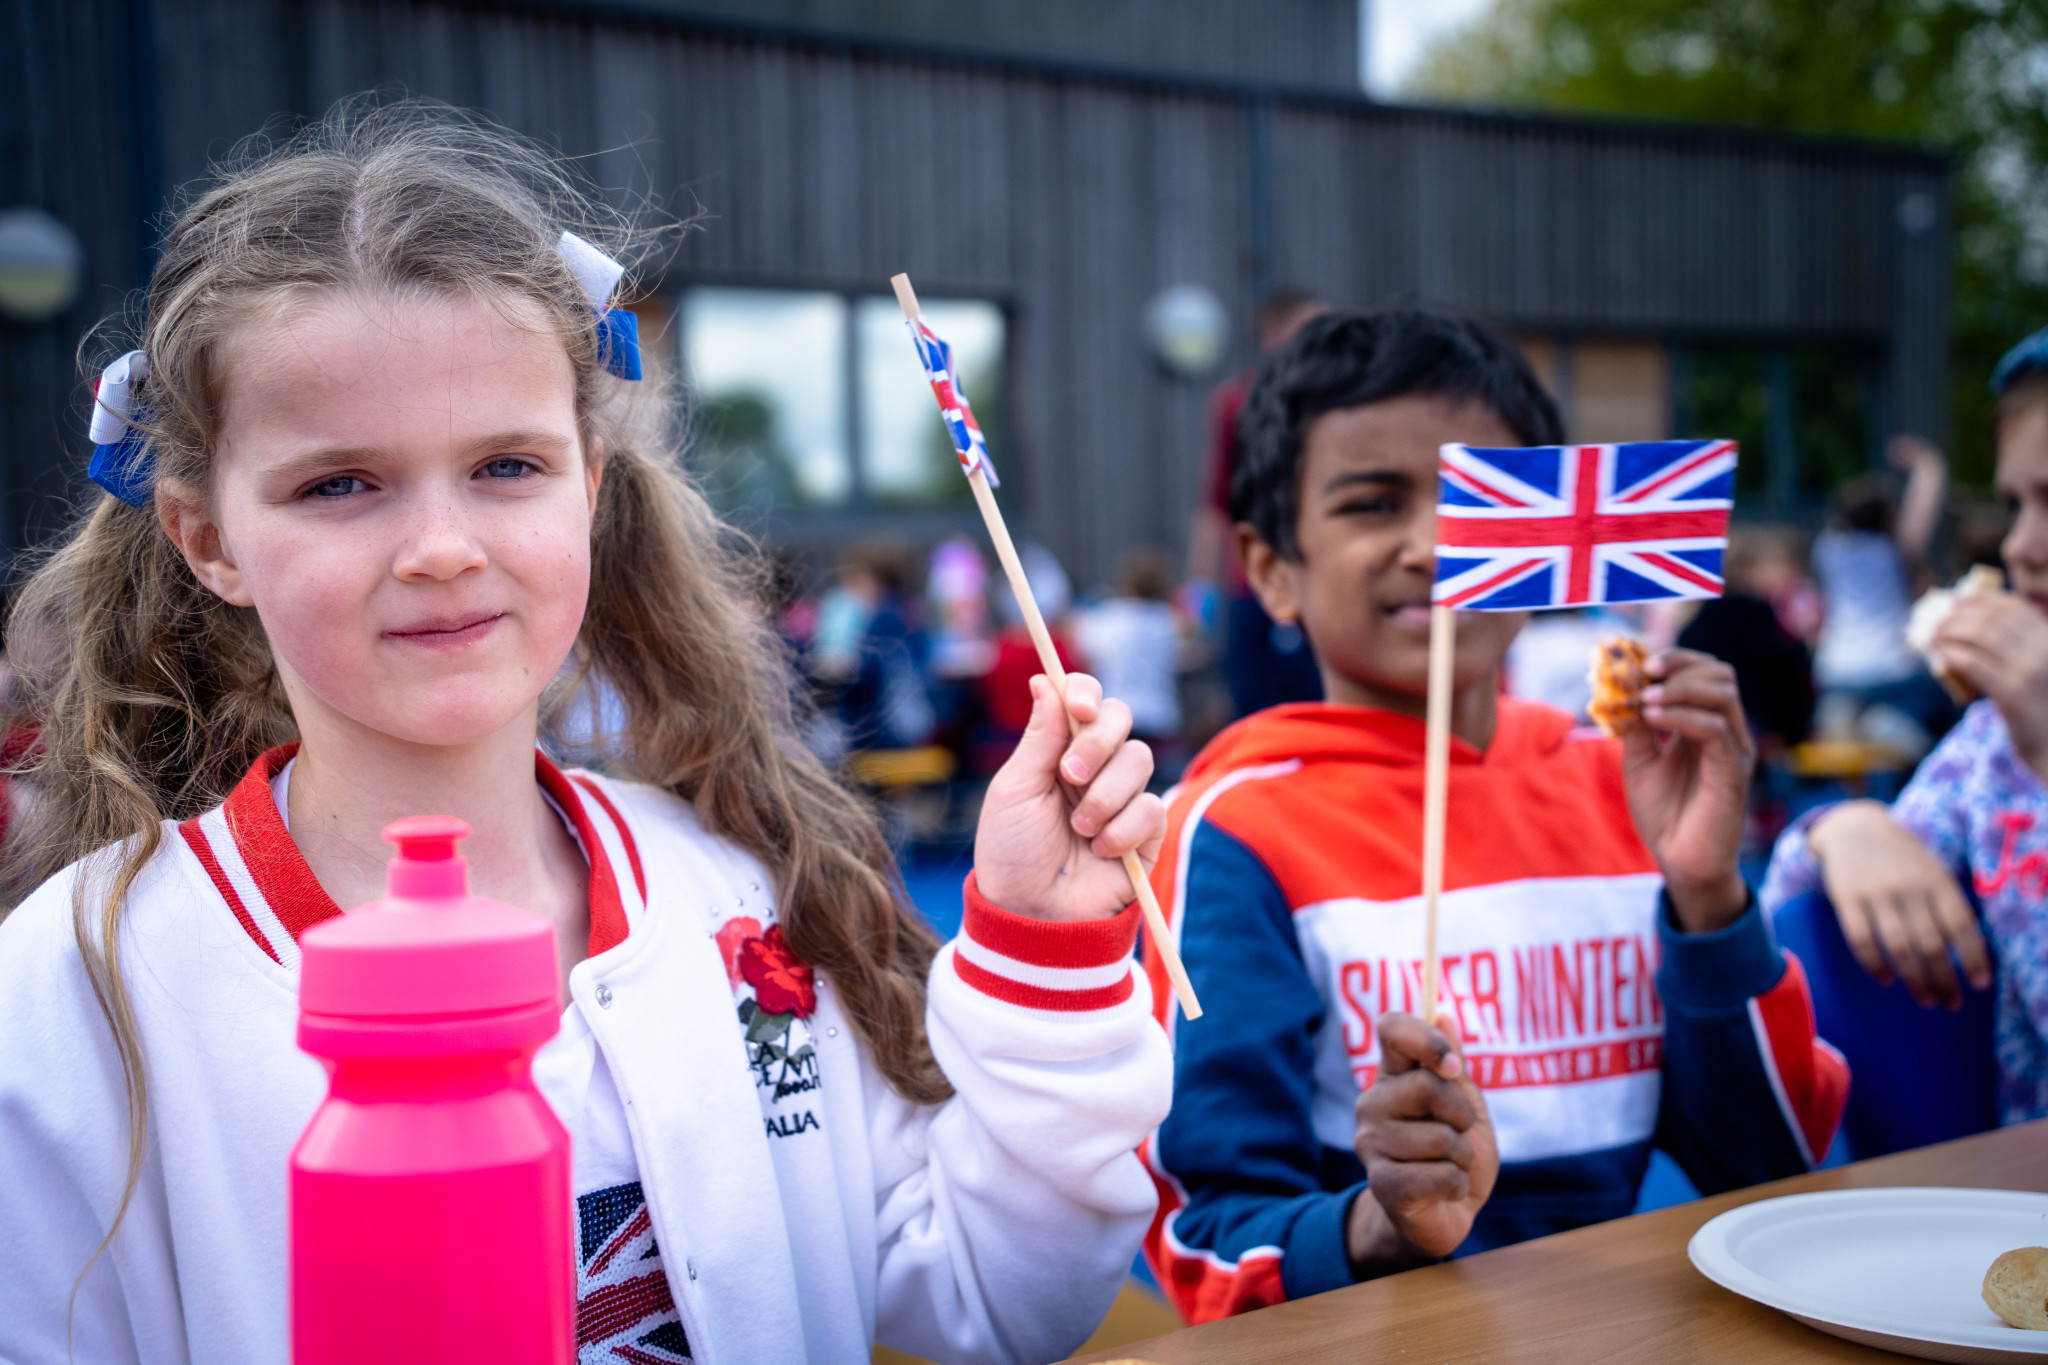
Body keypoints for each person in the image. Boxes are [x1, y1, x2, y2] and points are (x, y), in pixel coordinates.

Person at [0, 100, 1172, 1365]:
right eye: (339, 484)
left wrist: (1041, 945)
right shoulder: (77, 988)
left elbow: (984, 1308)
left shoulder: (729, 884)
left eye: (507, 466)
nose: (444, 548)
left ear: (591, 485)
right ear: (208, 539)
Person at [1140, 307, 1848, 1323]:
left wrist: (1706, 895)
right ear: (1270, 571)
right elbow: (1204, 1244)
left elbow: (1769, 1158)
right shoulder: (1234, 831)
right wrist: (1374, 1227)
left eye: (1482, 505)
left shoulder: (1624, 783)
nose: (1431, 545)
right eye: (1371, 504)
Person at [1760, 324, 2048, 1124]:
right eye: (2017, 502)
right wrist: (1842, 830)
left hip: (1843, 672)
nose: (2021, 546)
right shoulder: (1993, 748)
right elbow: (1789, 906)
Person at [1188, 289, 1328, 718]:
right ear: (1275, 334)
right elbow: (1216, 499)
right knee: (1254, 704)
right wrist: (1199, 588)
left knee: (1319, 702)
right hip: (1254, 581)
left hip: (1320, 579)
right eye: (1310, 331)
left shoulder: (1336, 406)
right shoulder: (1237, 402)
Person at [1076, 547, 1184, 745]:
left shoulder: (1105, 618)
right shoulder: (1170, 621)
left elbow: (1084, 655)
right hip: (1159, 718)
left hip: (1114, 714)